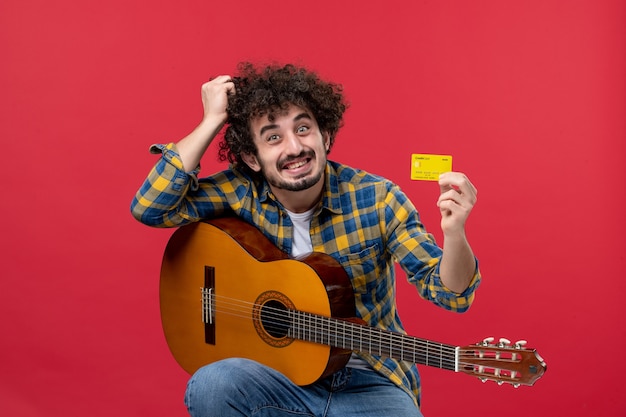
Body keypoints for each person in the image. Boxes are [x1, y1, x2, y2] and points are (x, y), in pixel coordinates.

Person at [130, 62, 481, 417]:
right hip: (274, 379)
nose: (294, 147)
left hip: (369, 381)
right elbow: (150, 207)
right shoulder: (238, 191)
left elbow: (452, 296)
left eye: (303, 128)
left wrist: (455, 234)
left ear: (325, 136)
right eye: (273, 137)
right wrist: (210, 122)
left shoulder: (378, 198)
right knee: (213, 384)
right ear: (251, 157)